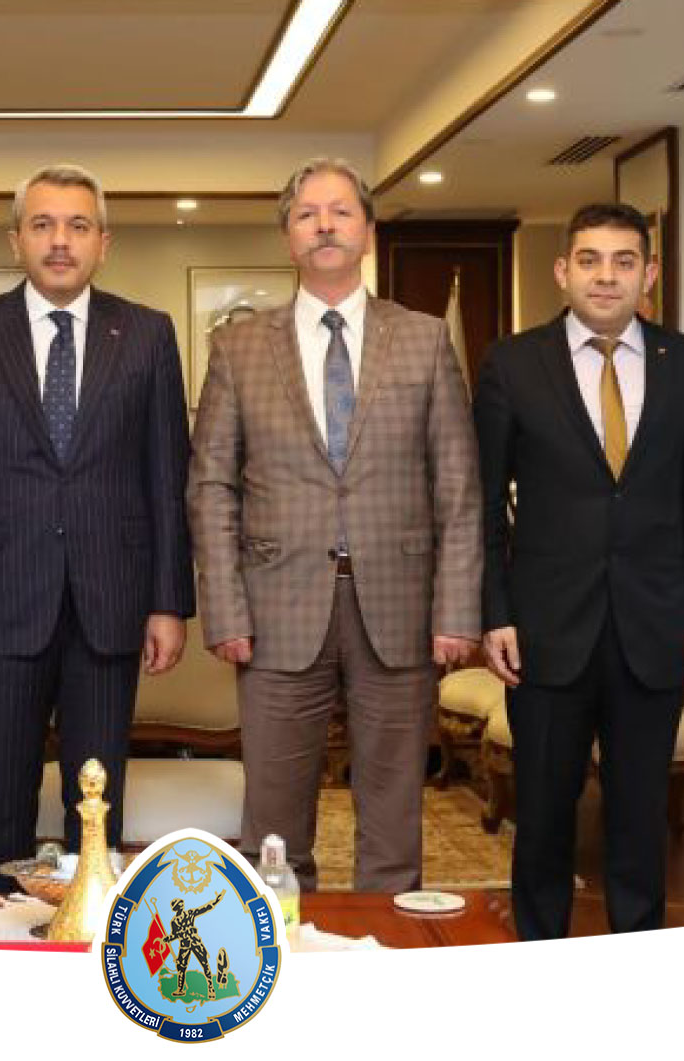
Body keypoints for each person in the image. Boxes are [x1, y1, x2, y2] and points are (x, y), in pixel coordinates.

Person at [187, 156, 481, 893]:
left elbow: (457, 483)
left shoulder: (423, 339)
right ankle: (280, 950)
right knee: (273, 830)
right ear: (288, 236)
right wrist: (224, 609)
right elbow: (211, 485)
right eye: (307, 214)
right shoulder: (239, 347)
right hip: (274, 612)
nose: (324, 225)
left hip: (401, 607)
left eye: (340, 211)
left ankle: (382, 953)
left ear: (368, 231)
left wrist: (456, 609)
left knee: (393, 820)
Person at [0, 164, 194, 893]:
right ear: (17, 240)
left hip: (110, 602)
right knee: (3, 798)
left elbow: (168, 480)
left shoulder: (147, 334)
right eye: (42, 225)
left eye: (77, 226)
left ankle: (93, 938)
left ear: (104, 242)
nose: (60, 241)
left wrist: (168, 602)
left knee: (95, 804)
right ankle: (0, 932)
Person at [473, 202, 684, 940]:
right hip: (546, 630)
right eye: (589, 260)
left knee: (639, 822)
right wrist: (495, 611)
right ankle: (541, 961)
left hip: (654, 627)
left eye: (624, 261)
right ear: (563, 271)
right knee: (543, 820)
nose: (606, 276)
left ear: (650, 273)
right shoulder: (514, 363)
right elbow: (481, 505)